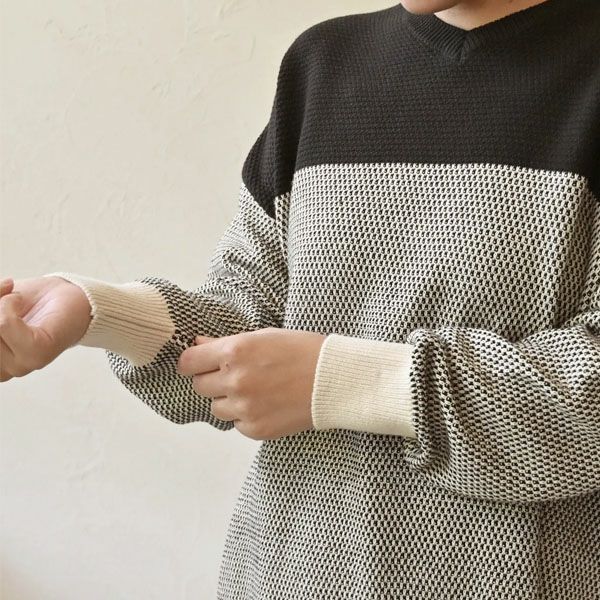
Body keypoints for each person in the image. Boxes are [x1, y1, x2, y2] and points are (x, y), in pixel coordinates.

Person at [1, 0, 599, 597]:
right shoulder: (324, 64)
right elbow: (244, 326)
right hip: (283, 573)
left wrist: (343, 381)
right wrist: (97, 312)